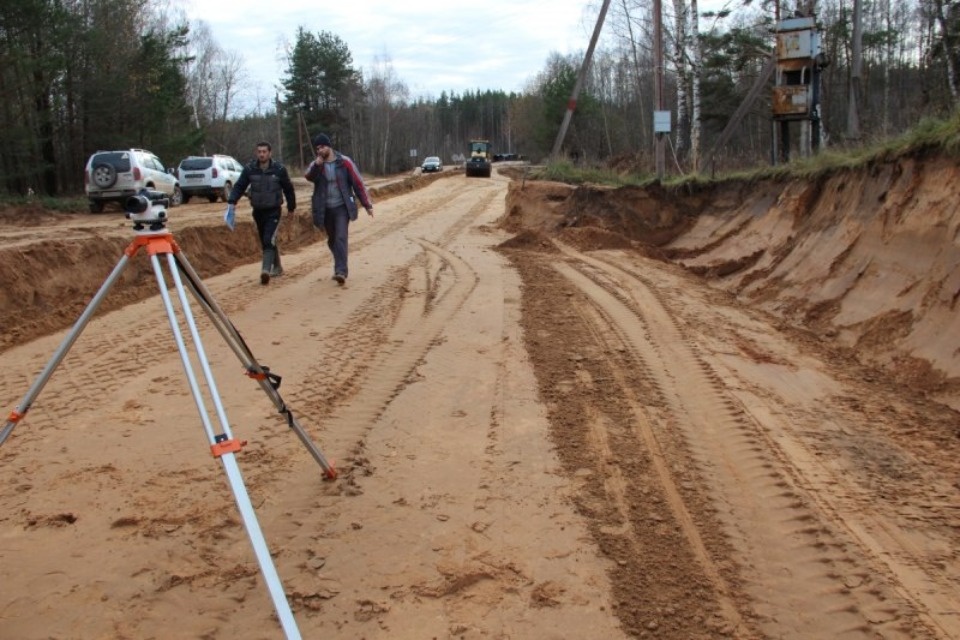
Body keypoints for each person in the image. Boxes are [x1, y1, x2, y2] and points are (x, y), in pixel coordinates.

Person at [305, 133, 373, 285]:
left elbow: (358, 182)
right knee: (332, 240)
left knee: (341, 237)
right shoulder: (317, 165)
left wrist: (367, 204)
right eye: (317, 148)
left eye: (322, 147)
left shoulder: (345, 162)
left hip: (342, 206)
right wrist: (317, 165)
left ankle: (341, 271)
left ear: (329, 146)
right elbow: (308, 176)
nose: (320, 151)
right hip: (325, 208)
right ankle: (340, 261)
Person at [226, 141, 296, 285]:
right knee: (267, 239)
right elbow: (240, 186)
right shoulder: (250, 169)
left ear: (270, 153)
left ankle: (265, 270)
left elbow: (288, 189)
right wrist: (232, 201)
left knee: (268, 239)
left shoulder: (279, 169)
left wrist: (291, 208)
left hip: (274, 211)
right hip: (258, 211)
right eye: (259, 151)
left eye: (264, 151)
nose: (262, 154)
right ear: (256, 153)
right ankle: (277, 267)